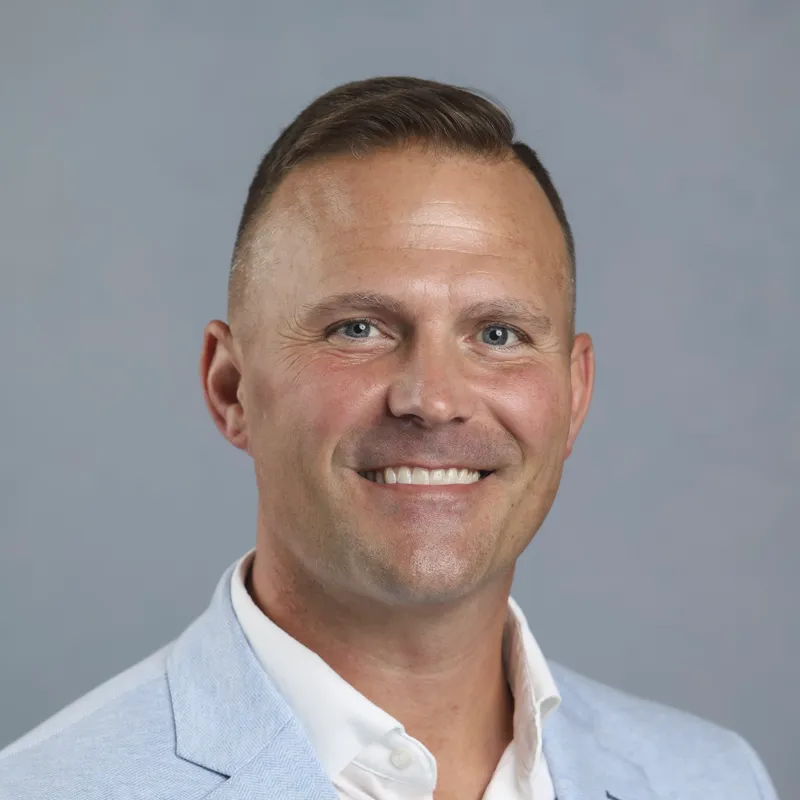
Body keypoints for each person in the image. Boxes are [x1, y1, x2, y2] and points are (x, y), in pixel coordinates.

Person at [0, 76, 779, 800]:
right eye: (359, 328)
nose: (433, 400)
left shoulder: (711, 779)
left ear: (574, 395)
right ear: (231, 388)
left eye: (499, 333)